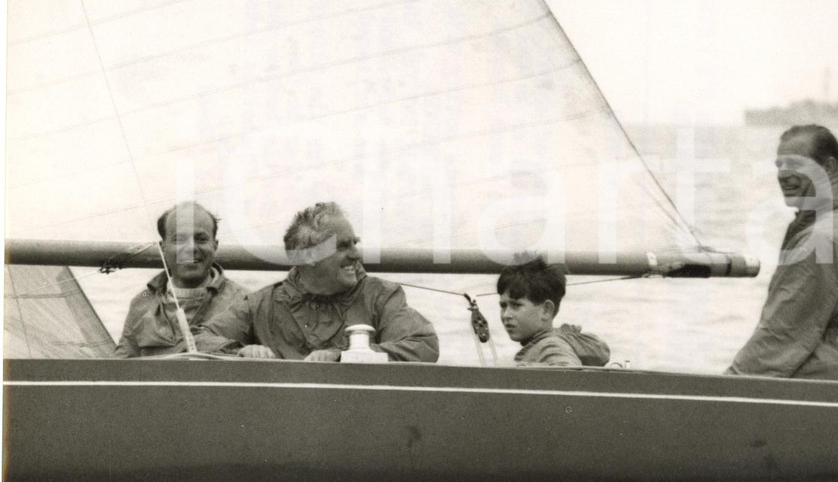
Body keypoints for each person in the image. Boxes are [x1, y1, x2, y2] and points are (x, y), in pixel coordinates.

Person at [726, 124, 838, 382]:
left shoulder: (822, 238)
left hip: (814, 378)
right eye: (779, 165)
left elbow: (782, 334)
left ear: (829, 167)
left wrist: (727, 387)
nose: (783, 174)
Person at [196, 201, 439, 362]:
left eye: (355, 243)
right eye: (343, 246)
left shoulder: (382, 296)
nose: (356, 254)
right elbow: (198, 340)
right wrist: (240, 353)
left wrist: (345, 356)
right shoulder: (260, 304)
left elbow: (423, 345)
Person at [114, 202, 248, 358]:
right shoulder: (142, 303)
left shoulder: (246, 302)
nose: (191, 248)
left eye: (201, 239)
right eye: (179, 239)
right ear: (163, 247)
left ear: (215, 245)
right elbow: (120, 367)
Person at [497, 255, 610, 368]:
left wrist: (514, 368)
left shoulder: (550, 346)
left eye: (516, 305)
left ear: (546, 310)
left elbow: (570, 374)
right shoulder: (547, 344)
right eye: (503, 306)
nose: (506, 315)